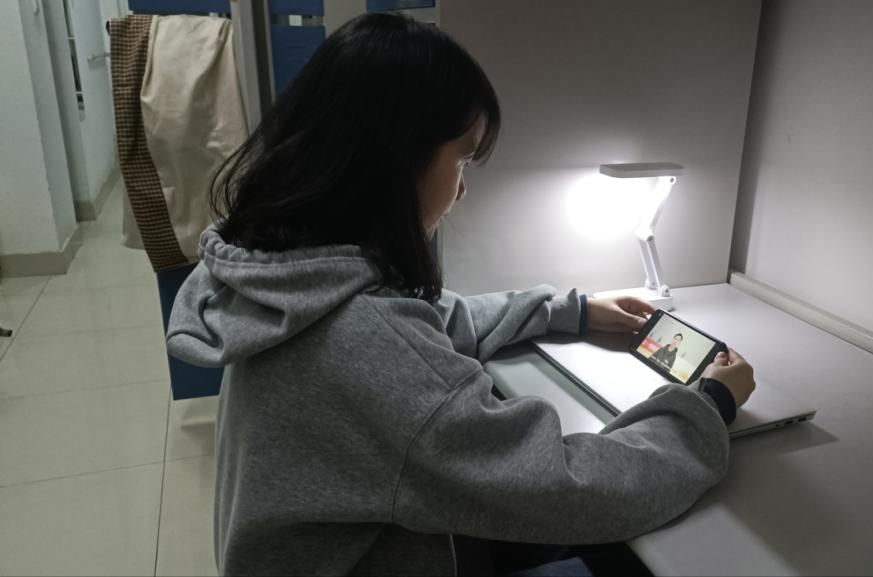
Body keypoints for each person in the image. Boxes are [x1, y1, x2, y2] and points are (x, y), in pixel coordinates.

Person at [166, 13, 756, 577]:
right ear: (395, 161)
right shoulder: (362, 342)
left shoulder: (276, 274)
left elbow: (430, 322)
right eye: (462, 159)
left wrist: (568, 312)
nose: (463, 190)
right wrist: (707, 409)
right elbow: (570, 487)